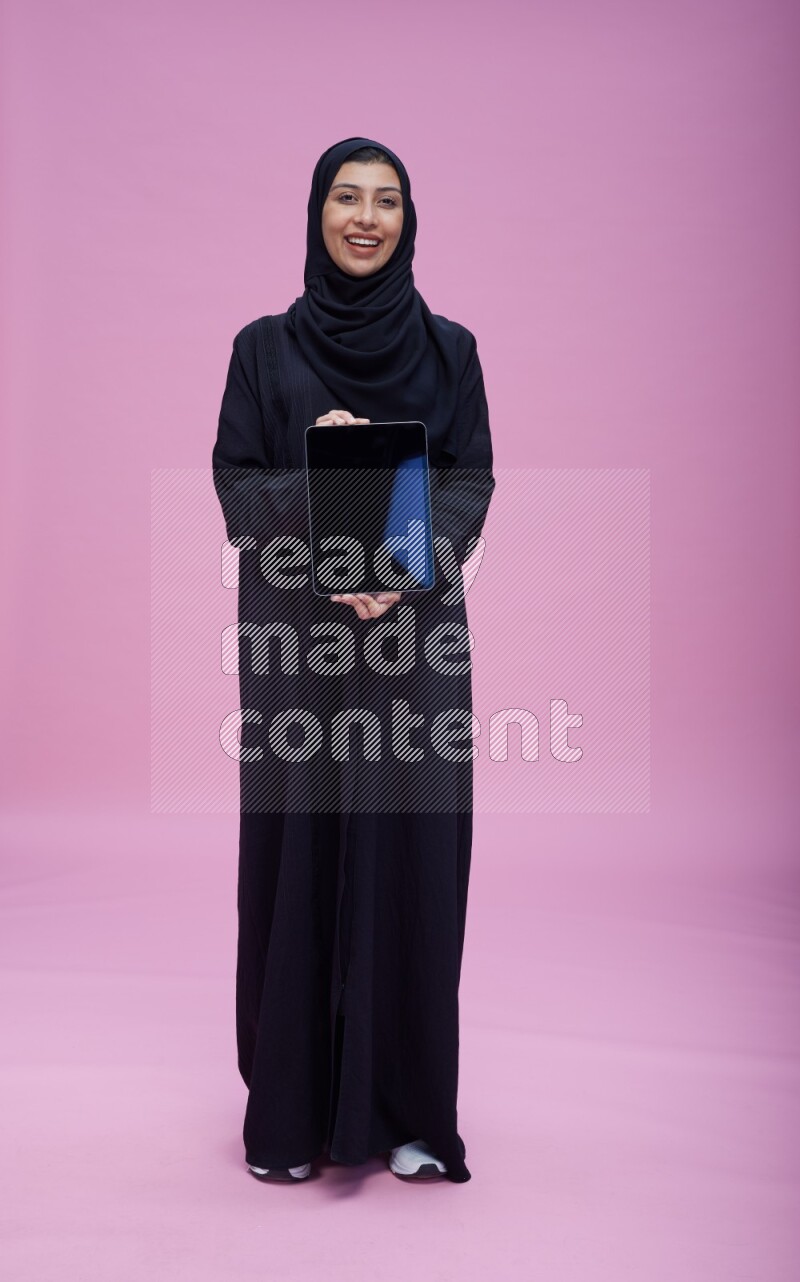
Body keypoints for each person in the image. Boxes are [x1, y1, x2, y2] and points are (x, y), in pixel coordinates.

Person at [212, 136, 495, 1184]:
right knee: (298, 853)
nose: (365, 218)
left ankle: (409, 1114)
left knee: (411, 860)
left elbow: (471, 482)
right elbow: (236, 485)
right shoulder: (262, 351)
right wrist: (321, 473)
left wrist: (401, 570)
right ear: (317, 211)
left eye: (386, 201)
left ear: (408, 221)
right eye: (347, 197)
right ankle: (290, 1119)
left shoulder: (451, 351)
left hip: (414, 646)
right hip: (300, 642)